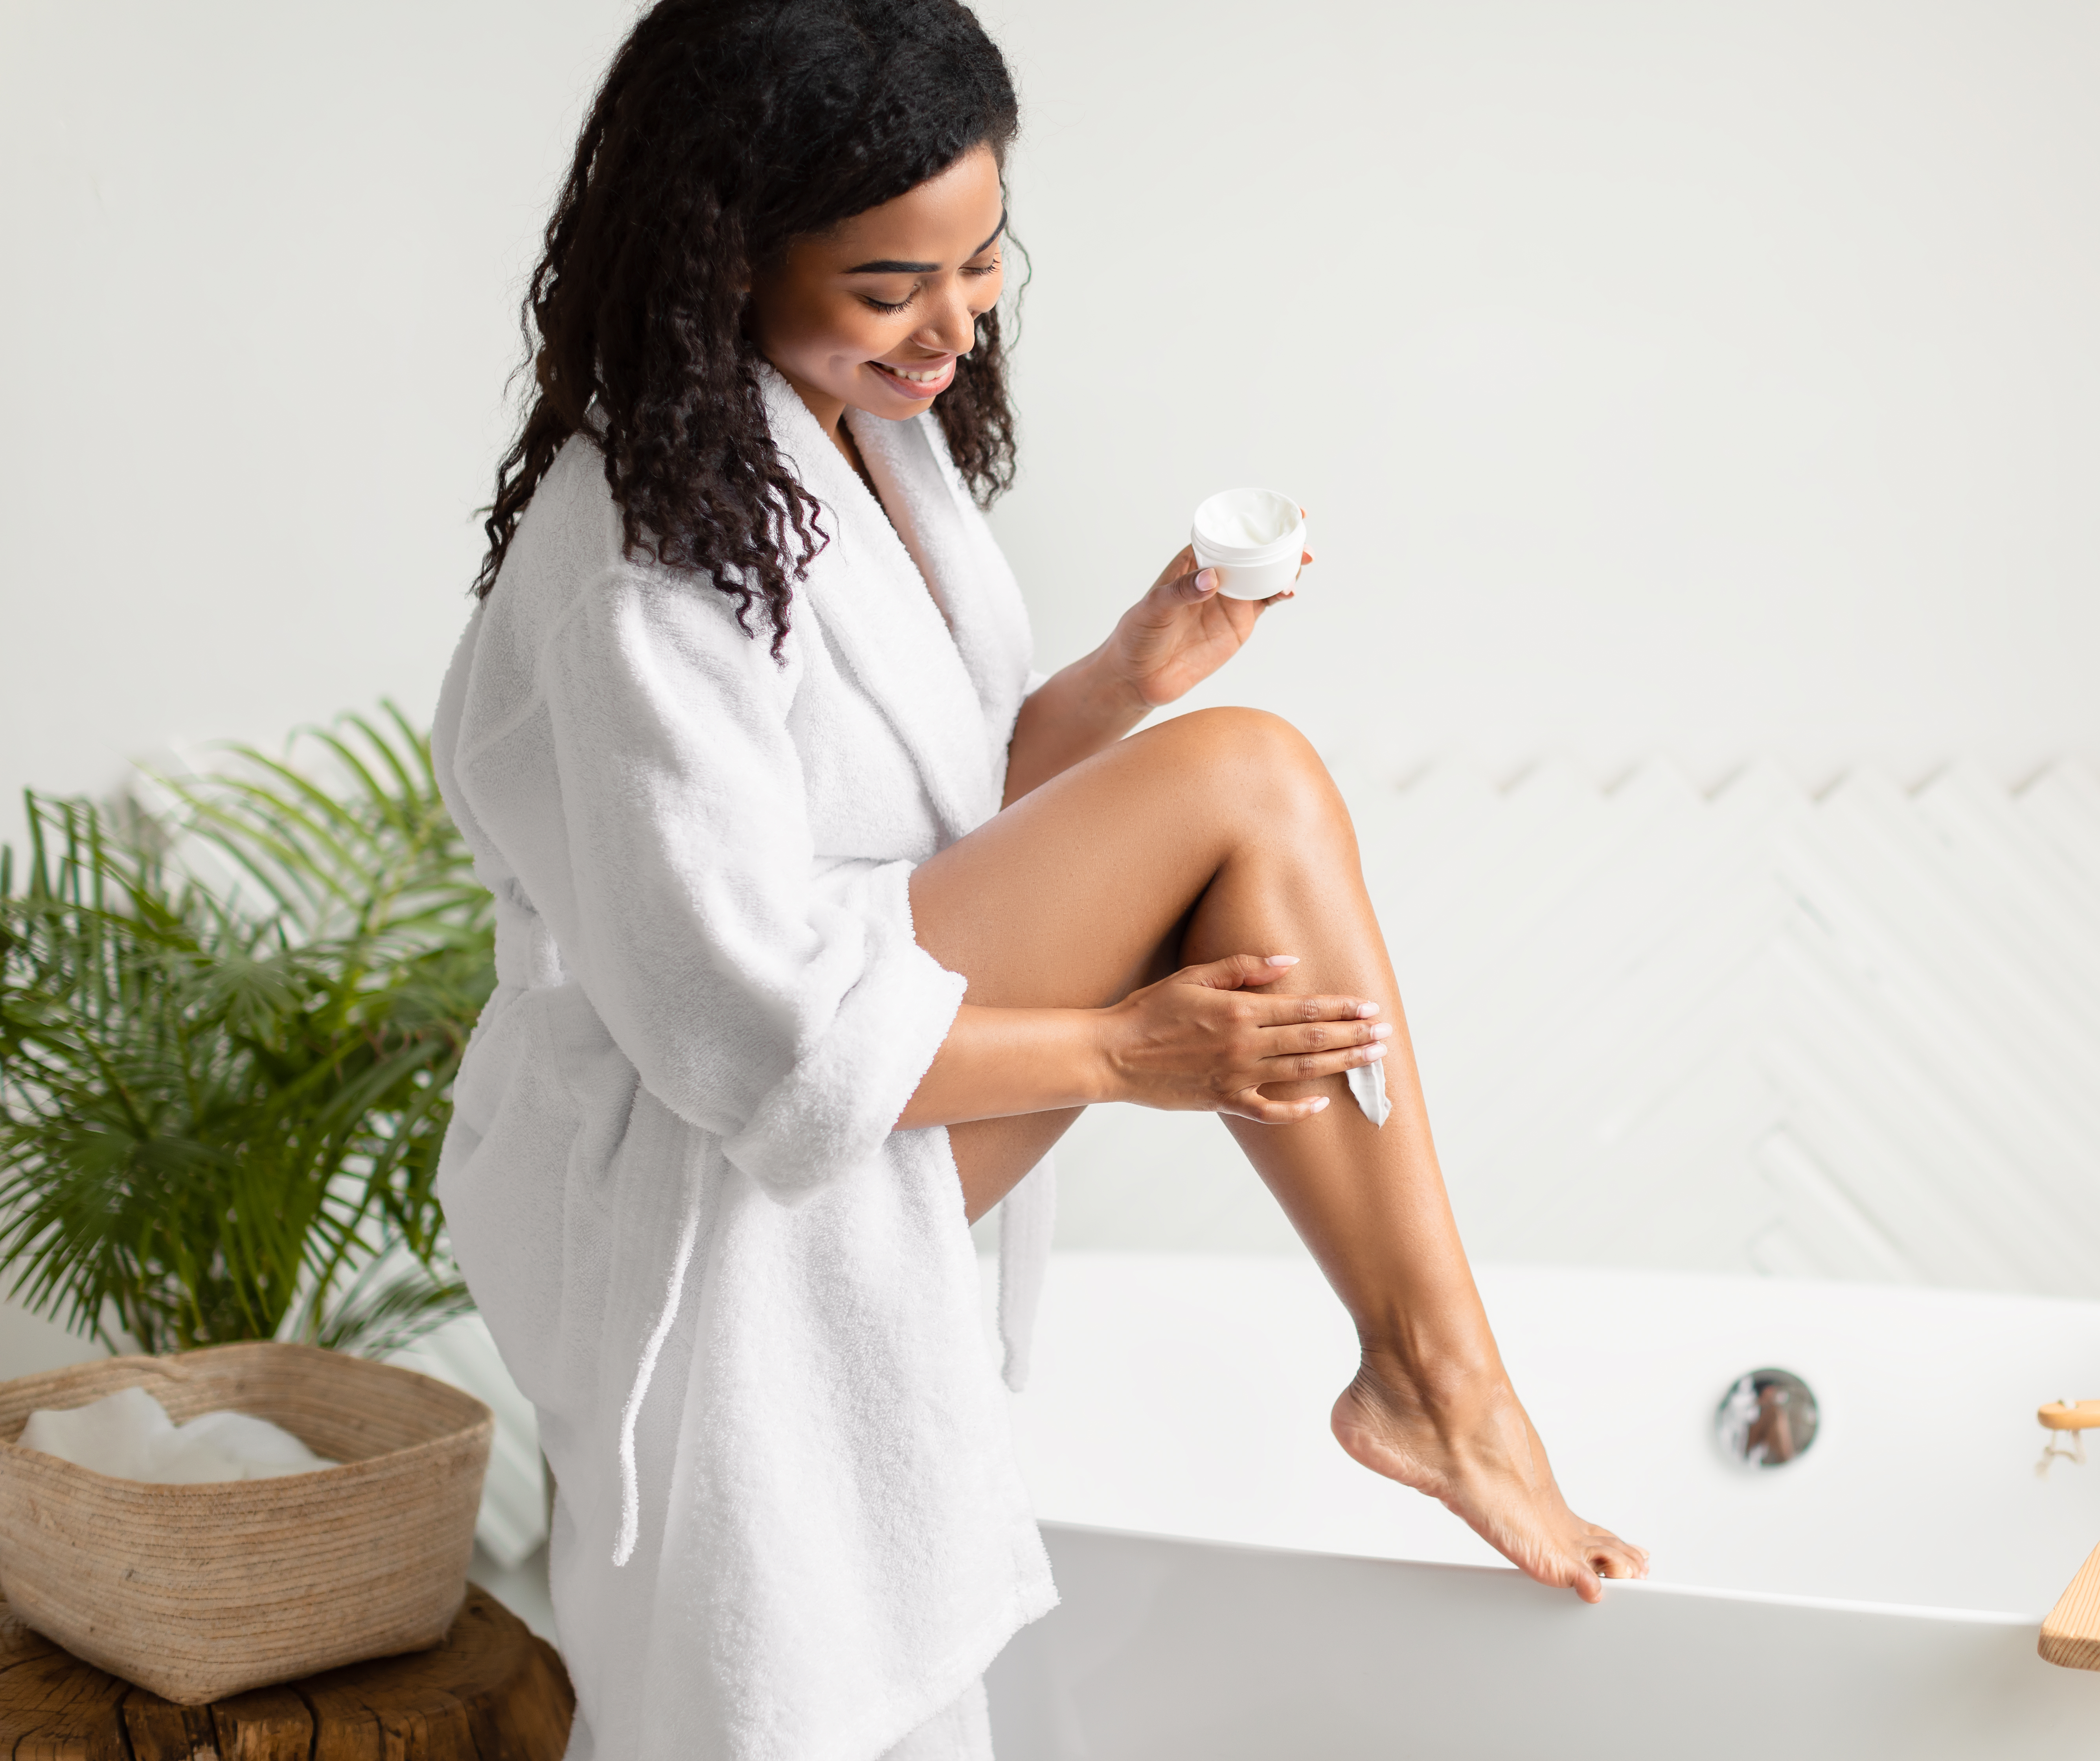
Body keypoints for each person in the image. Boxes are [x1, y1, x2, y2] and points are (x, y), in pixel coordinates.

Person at [433, 2, 1644, 1755]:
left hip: (844, 1038)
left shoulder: (855, 435)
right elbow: (740, 1033)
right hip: (694, 1143)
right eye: (889, 286)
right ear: (726, 255)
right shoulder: (644, 556)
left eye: (982, 262)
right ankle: (1441, 1385)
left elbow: (929, 819)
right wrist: (1122, 1053)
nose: (950, 326)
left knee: (1241, 777)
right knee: (1250, 787)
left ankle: (1438, 1381)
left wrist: (1126, 678)